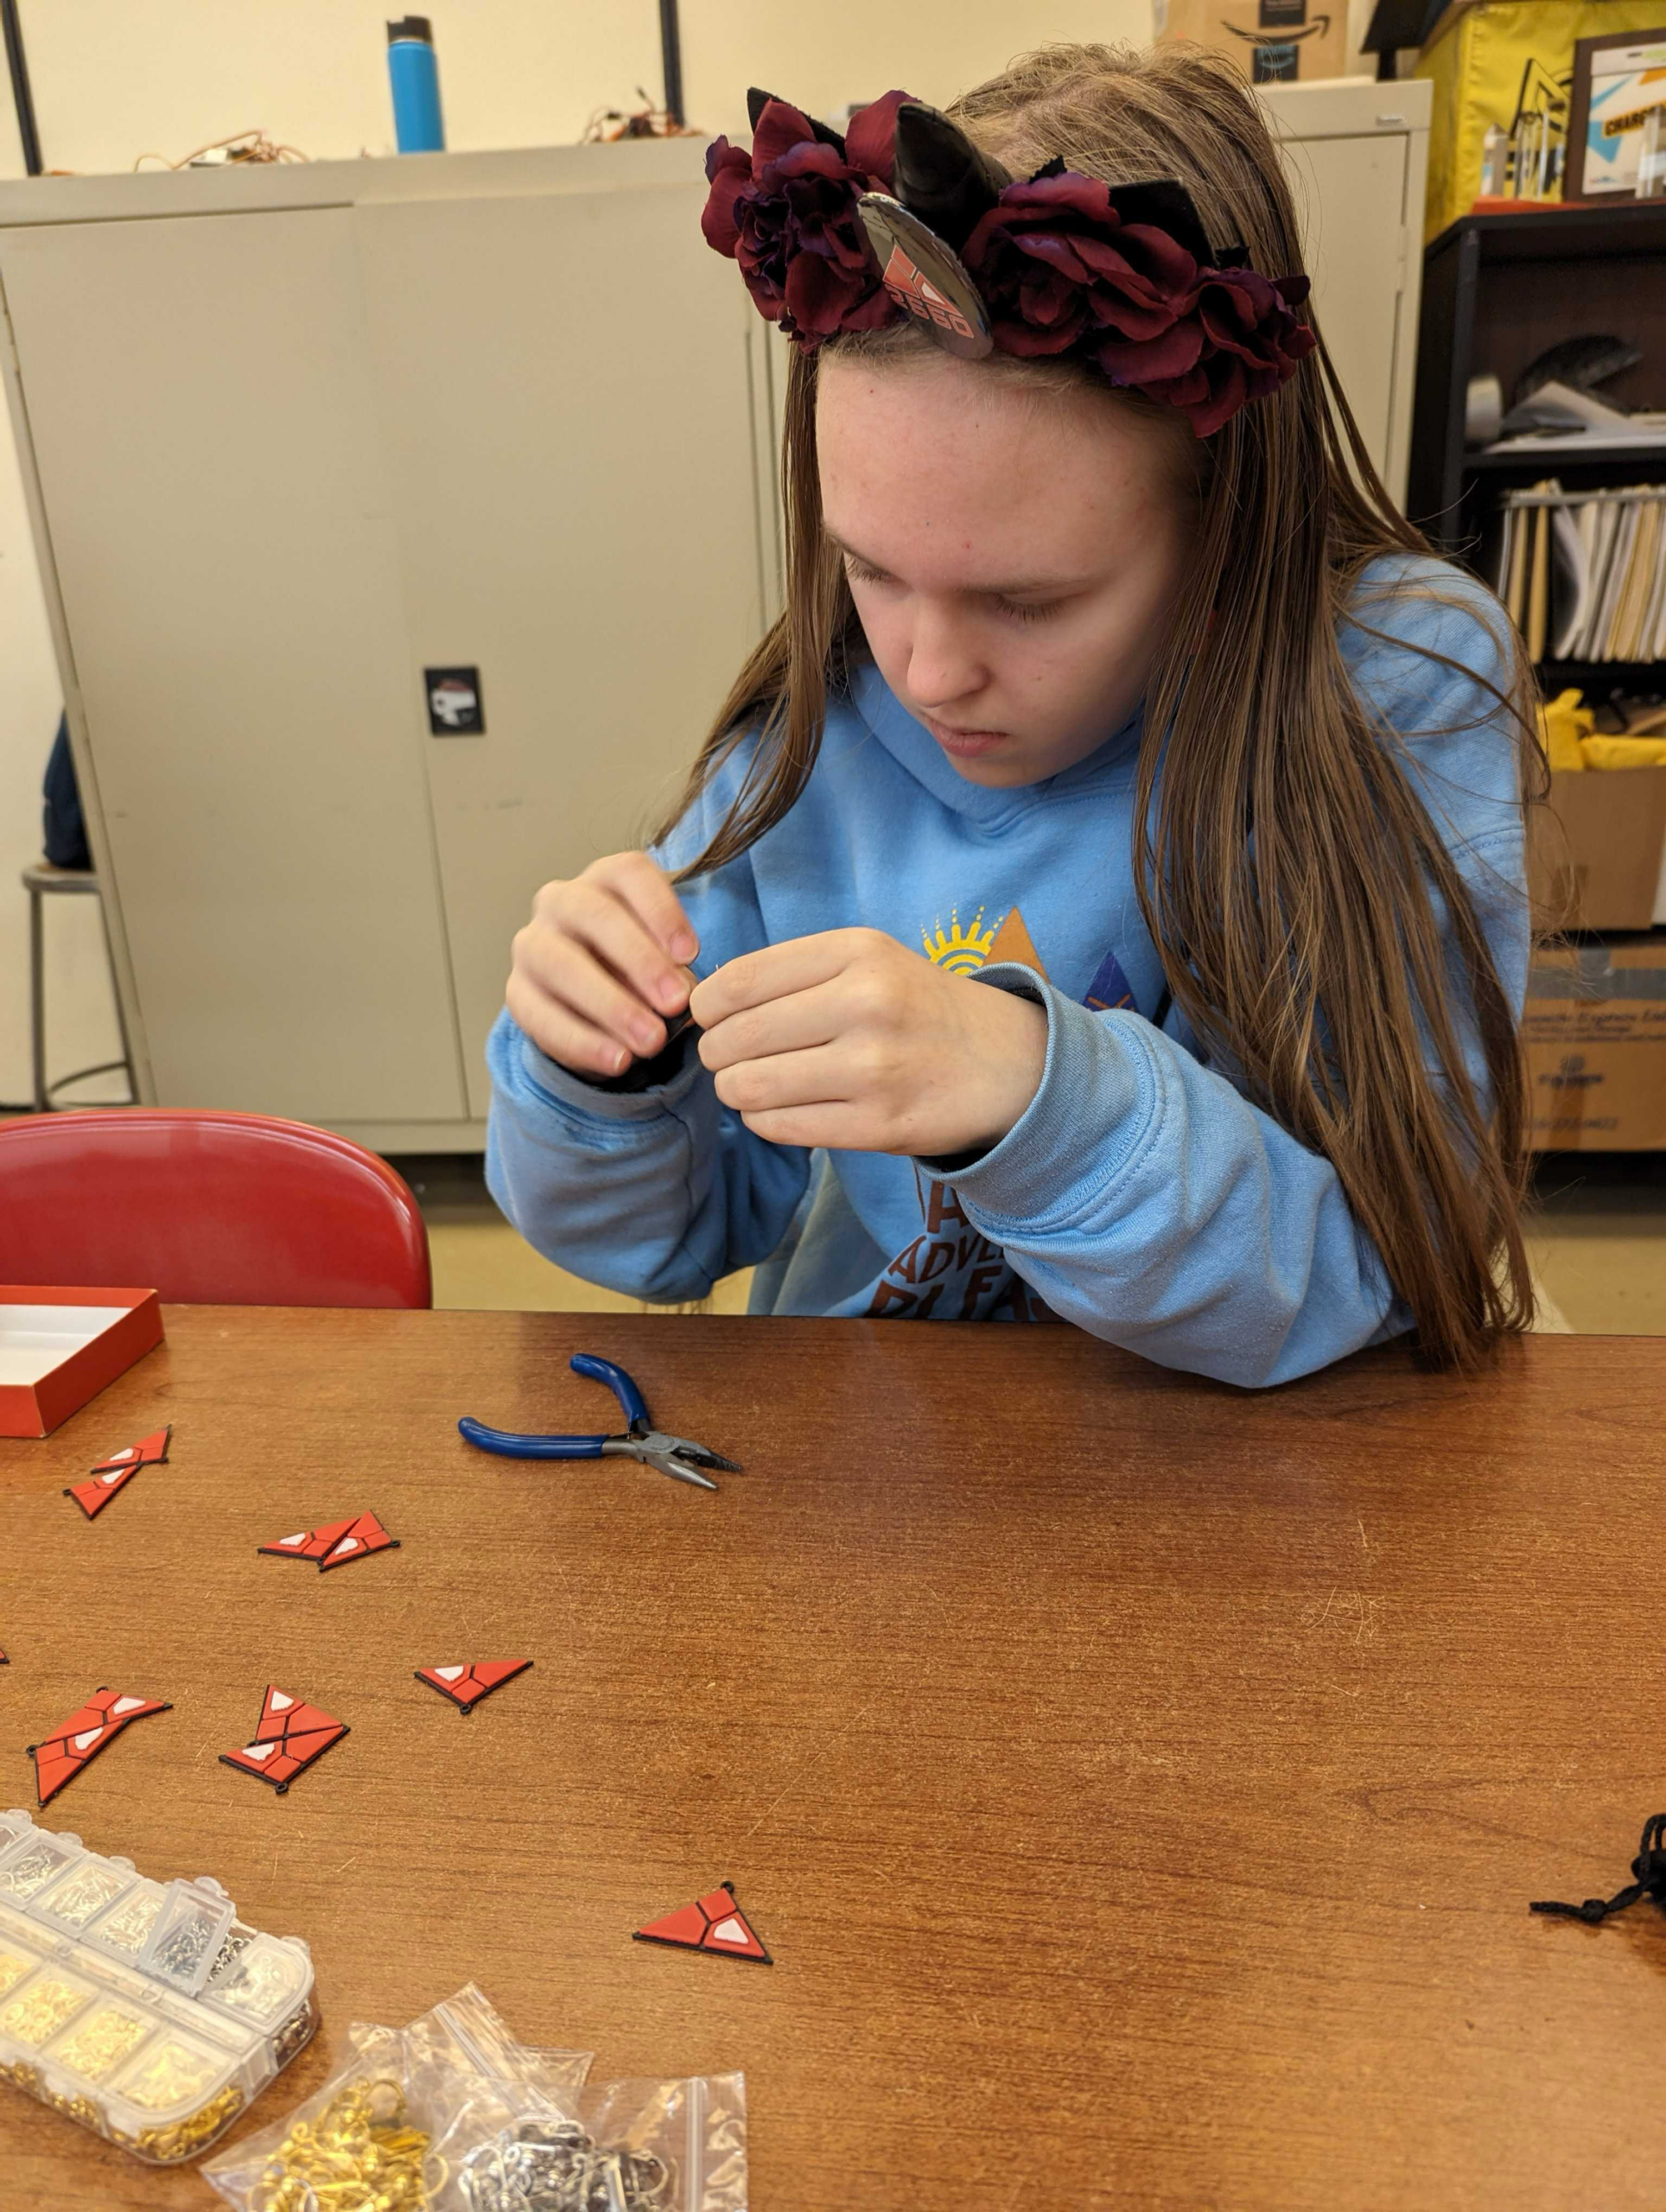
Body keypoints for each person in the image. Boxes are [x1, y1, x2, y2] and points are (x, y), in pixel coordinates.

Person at [486, 42, 1539, 1389]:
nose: (924, 676)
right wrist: (605, 1076)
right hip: (865, 1480)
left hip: (1244, 1504)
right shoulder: (813, 732)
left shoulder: (1396, 686)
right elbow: (679, 1239)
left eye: (1029, 603)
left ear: (1226, 528)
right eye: (869, 570)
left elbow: (1394, 1269)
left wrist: (1041, 1097)